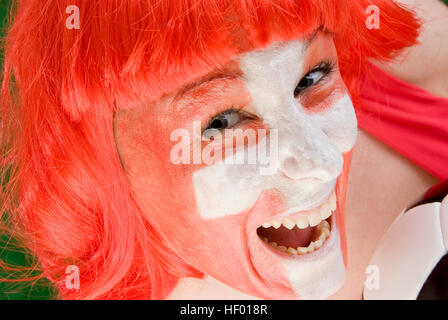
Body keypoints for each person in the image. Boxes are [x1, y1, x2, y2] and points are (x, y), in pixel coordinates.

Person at [0, 0, 420, 299]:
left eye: (312, 78)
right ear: (101, 163)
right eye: (223, 123)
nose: (321, 161)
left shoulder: (422, 74)